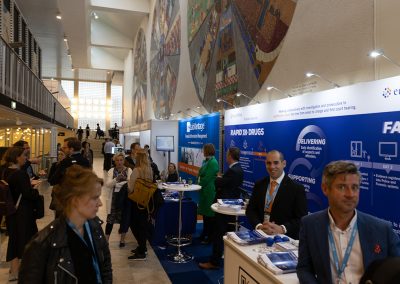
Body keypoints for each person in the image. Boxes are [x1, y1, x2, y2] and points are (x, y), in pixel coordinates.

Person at [297, 161, 400, 284]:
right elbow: (304, 269)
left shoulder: (382, 229)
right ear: (325, 189)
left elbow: (396, 272)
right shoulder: (310, 225)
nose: (350, 194)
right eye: (342, 187)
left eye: (354, 187)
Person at [19, 165, 113, 283]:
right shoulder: (42, 244)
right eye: (95, 198)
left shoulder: (95, 226)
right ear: (75, 200)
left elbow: (105, 265)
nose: (100, 203)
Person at [245, 150, 307, 239]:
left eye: (276, 163)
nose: (272, 166)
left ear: (284, 163)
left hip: (283, 240)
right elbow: (250, 210)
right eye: (268, 163)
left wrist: (282, 228)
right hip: (260, 236)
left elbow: (301, 218)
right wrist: (259, 226)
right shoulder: (259, 184)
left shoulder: (296, 188)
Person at [199, 146, 244, 269]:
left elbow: (219, 182)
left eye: (227, 154)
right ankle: (224, 256)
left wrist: (219, 179)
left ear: (230, 156)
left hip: (225, 207)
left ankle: (214, 261)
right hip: (230, 206)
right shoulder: (238, 169)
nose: (226, 156)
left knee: (218, 233)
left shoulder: (233, 170)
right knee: (226, 232)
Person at [0, 147, 39, 281]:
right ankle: (21, 270)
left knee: (14, 239)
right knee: (25, 239)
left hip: (10, 210)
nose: (26, 158)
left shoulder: (4, 171)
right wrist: (35, 188)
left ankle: (14, 269)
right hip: (23, 211)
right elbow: (28, 194)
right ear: (17, 157)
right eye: (24, 155)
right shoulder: (20, 174)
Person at [127, 149, 153, 260]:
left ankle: (142, 250)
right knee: (142, 225)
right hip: (145, 202)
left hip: (135, 201)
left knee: (134, 225)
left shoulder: (137, 170)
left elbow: (130, 187)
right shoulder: (149, 169)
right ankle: (142, 247)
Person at [104, 153, 132, 247]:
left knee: (124, 218)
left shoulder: (129, 170)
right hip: (114, 198)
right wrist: (117, 179)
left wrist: (117, 183)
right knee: (110, 219)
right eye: (117, 160)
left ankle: (122, 240)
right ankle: (106, 240)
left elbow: (129, 184)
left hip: (125, 198)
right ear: (114, 161)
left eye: (121, 160)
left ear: (124, 161)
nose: (119, 162)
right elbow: (108, 184)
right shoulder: (111, 170)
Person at [197, 143, 219, 244]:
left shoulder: (213, 162)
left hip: (209, 191)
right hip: (204, 190)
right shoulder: (205, 161)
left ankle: (210, 237)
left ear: (207, 150)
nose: (202, 151)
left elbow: (207, 177)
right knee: (205, 215)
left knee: (210, 215)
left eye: (203, 150)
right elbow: (200, 173)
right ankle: (204, 233)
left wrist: (199, 183)